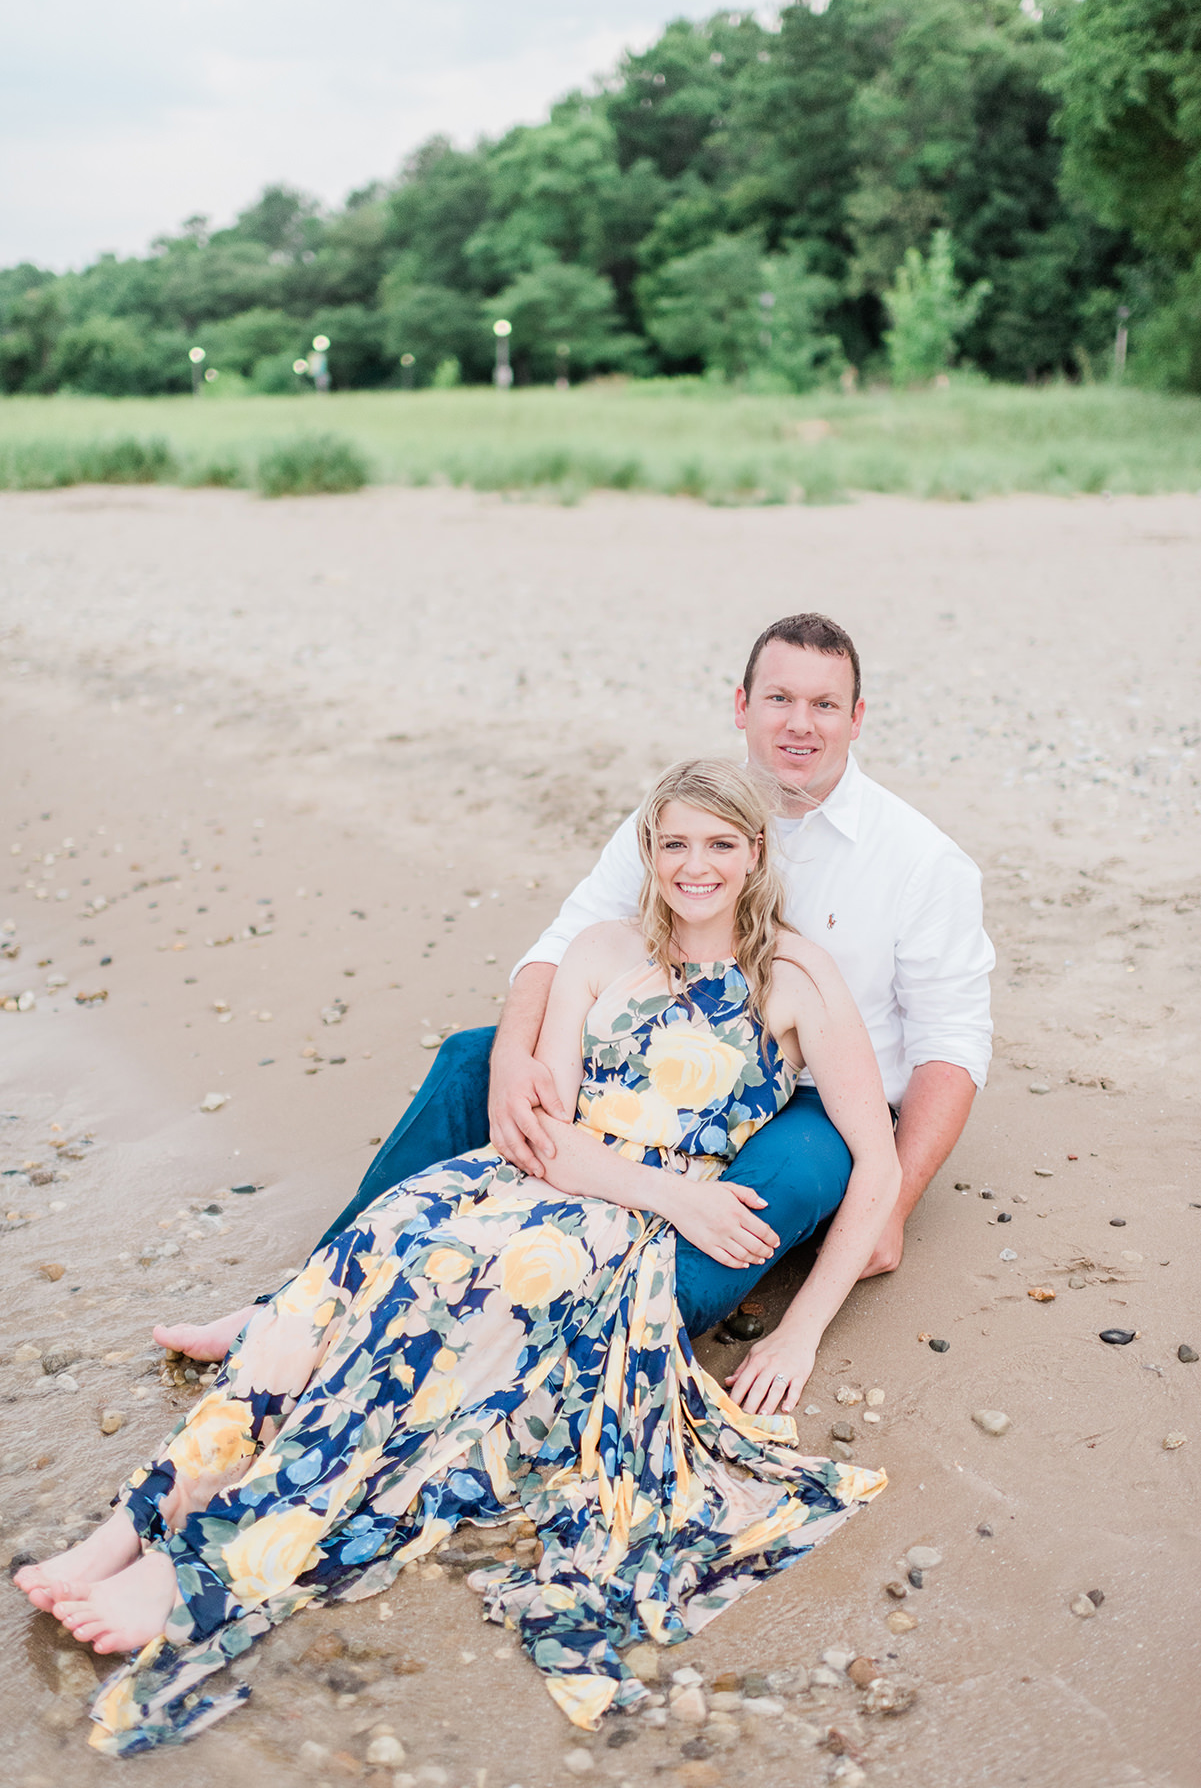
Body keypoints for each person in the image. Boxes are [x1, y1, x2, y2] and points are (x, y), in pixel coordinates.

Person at [18, 760, 898, 1754]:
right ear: (649, 854)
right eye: (675, 844)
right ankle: (138, 1518)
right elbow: (553, 1133)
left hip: (618, 1235)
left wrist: (802, 1330)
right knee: (371, 1252)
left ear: (755, 855)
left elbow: (876, 1160)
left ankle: (212, 1561)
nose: (696, 866)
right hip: (571, 1181)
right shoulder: (602, 952)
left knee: (460, 1308)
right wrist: (674, 1191)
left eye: (719, 845)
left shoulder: (791, 978)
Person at [157, 611, 993, 1364]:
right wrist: (518, 1055)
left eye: (823, 704)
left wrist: (894, 1206)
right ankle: (299, 1308)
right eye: (779, 698)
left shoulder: (919, 861)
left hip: (816, 1096)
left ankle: (587, 1342)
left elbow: (949, 1044)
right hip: (666, 1060)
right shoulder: (686, 814)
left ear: (856, 718)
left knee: (796, 1174)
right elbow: (567, 939)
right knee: (470, 1061)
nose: (799, 724)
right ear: (741, 705)